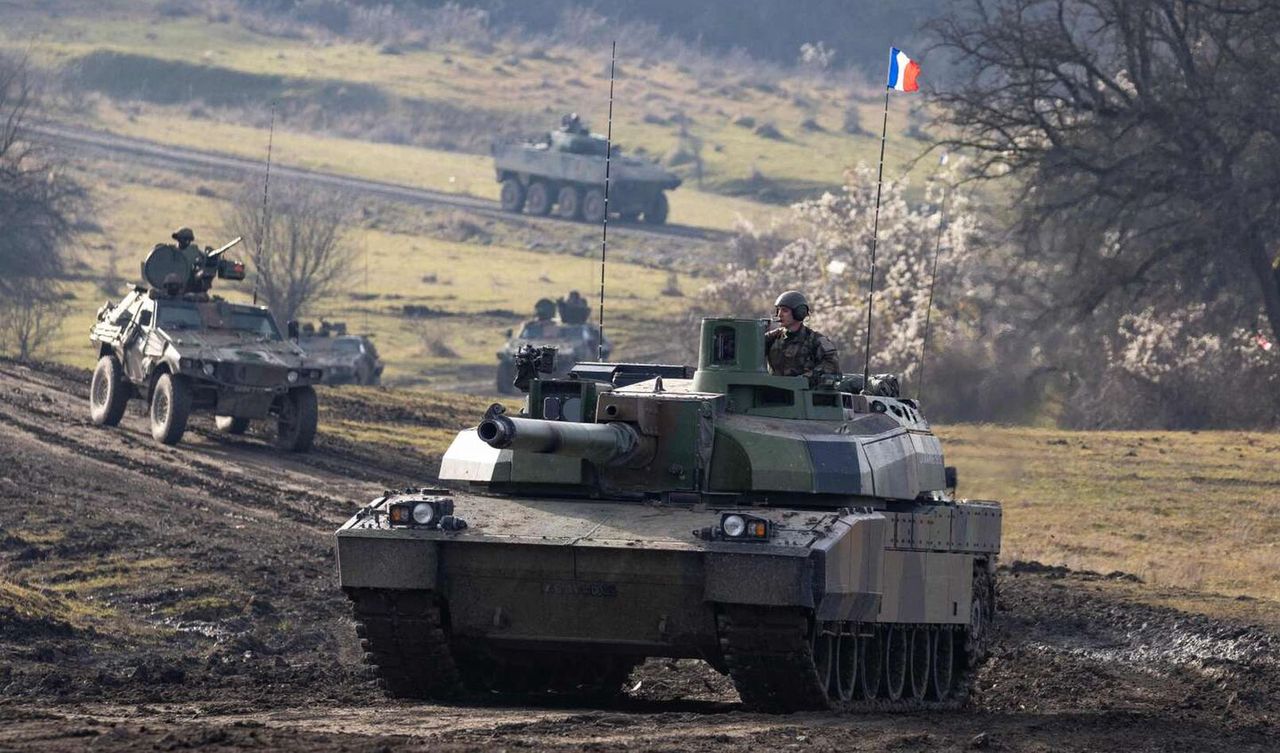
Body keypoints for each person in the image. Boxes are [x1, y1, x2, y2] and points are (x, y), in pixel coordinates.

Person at [765, 290, 840, 386]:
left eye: (784, 310)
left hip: (803, 396)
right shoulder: (773, 338)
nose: (779, 314)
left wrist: (804, 379)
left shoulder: (816, 341)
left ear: (799, 313)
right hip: (774, 393)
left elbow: (832, 366)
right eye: (778, 310)